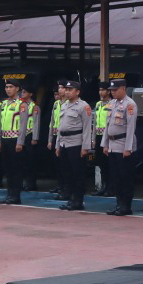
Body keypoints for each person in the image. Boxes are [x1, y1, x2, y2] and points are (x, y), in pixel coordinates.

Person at [54, 80, 94, 211]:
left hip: (76, 143)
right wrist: (57, 145)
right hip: (64, 142)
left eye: (70, 90)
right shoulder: (64, 105)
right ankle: (70, 199)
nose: (67, 92)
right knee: (67, 173)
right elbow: (60, 127)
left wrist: (85, 147)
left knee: (78, 173)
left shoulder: (83, 106)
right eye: (66, 89)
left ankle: (78, 200)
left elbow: (87, 128)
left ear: (77, 92)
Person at [102, 78, 138, 216]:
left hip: (123, 144)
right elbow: (107, 125)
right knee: (115, 177)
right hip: (112, 145)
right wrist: (105, 144)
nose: (113, 93)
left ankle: (126, 205)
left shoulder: (130, 105)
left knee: (125, 177)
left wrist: (128, 148)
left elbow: (130, 128)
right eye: (111, 90)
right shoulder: (112, 103)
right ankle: (118, 204)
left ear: (123, 89)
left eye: (115, 90)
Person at [0, 80, 26, 204]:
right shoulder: (3, 104)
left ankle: (16, 195)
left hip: (15, 139)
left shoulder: (21, 104)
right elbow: (0, 124)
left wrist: (20, 142)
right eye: (6, 87)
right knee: (7, 168)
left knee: (16, 169)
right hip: (4, 139)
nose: (8, 89)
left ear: (17, 89)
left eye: (11, 87)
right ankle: (9, 194)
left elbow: (23, 125)